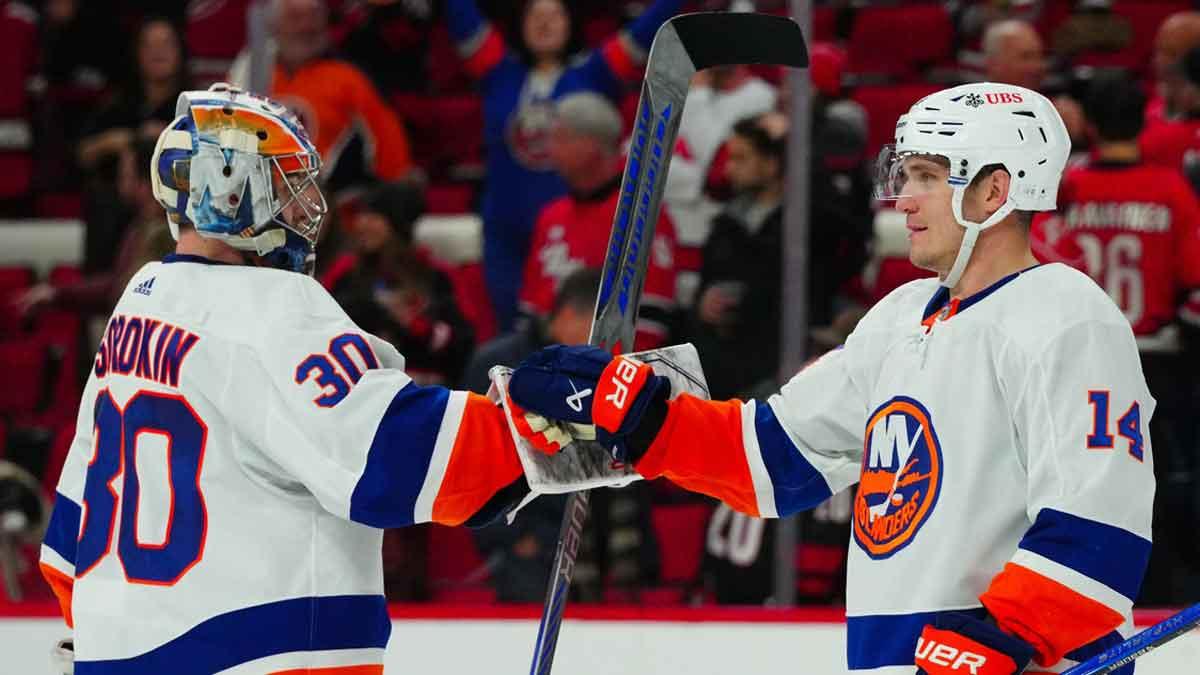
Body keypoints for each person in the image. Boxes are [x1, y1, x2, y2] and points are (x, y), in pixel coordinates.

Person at [505, 83, 1154, 674]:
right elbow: (775, 453)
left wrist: (1007, 633)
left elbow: (1100, 520)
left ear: (994, 191)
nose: (904, 197)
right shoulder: (898, 318)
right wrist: (647, 416)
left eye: (927, 176)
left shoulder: (1069, 319)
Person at [38, 83, 525, 672]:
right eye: (283, 187)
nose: (303, 209)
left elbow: (68, 541)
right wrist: (554, 425)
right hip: (258, 657)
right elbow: (400, 459)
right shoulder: (273, 307)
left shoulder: (141, 301)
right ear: (228, 192)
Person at [1035, 72, 1200, 604]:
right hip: (1155, 361)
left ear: (1091, 124)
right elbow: (1194, 276)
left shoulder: (1069, 189)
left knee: (1077, 481)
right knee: (1156, 483)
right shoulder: (1171, 188)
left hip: (1079, 362)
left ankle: (1081, 589)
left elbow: (1036, 264)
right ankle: (1163, 594)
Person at [444, 0, 682, 332]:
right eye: (535, 16)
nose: (544, 23)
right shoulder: (497, 72)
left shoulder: (595, 73)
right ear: (520, 24)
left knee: (570, 334)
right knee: (515, 335)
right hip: (504, 233)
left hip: (572, 230)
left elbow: (647, 30)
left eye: (554, 14)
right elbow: (461, 15)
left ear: (571, 22)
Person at [519, 92, 678, 351]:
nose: (550, 149)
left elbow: (650, 321)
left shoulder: (643, 218)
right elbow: (529, 312)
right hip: (546, 356)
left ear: (591, 146)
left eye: (561, 138)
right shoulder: (550, 216)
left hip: (605, 363)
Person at [228, 0, 416, 192]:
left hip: (327, 205)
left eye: (315, 17)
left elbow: (392, 159)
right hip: (257, 202)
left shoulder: (349, 80)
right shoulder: (246, 75)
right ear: (274, 24)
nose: (307, 26)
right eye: (296, 17)